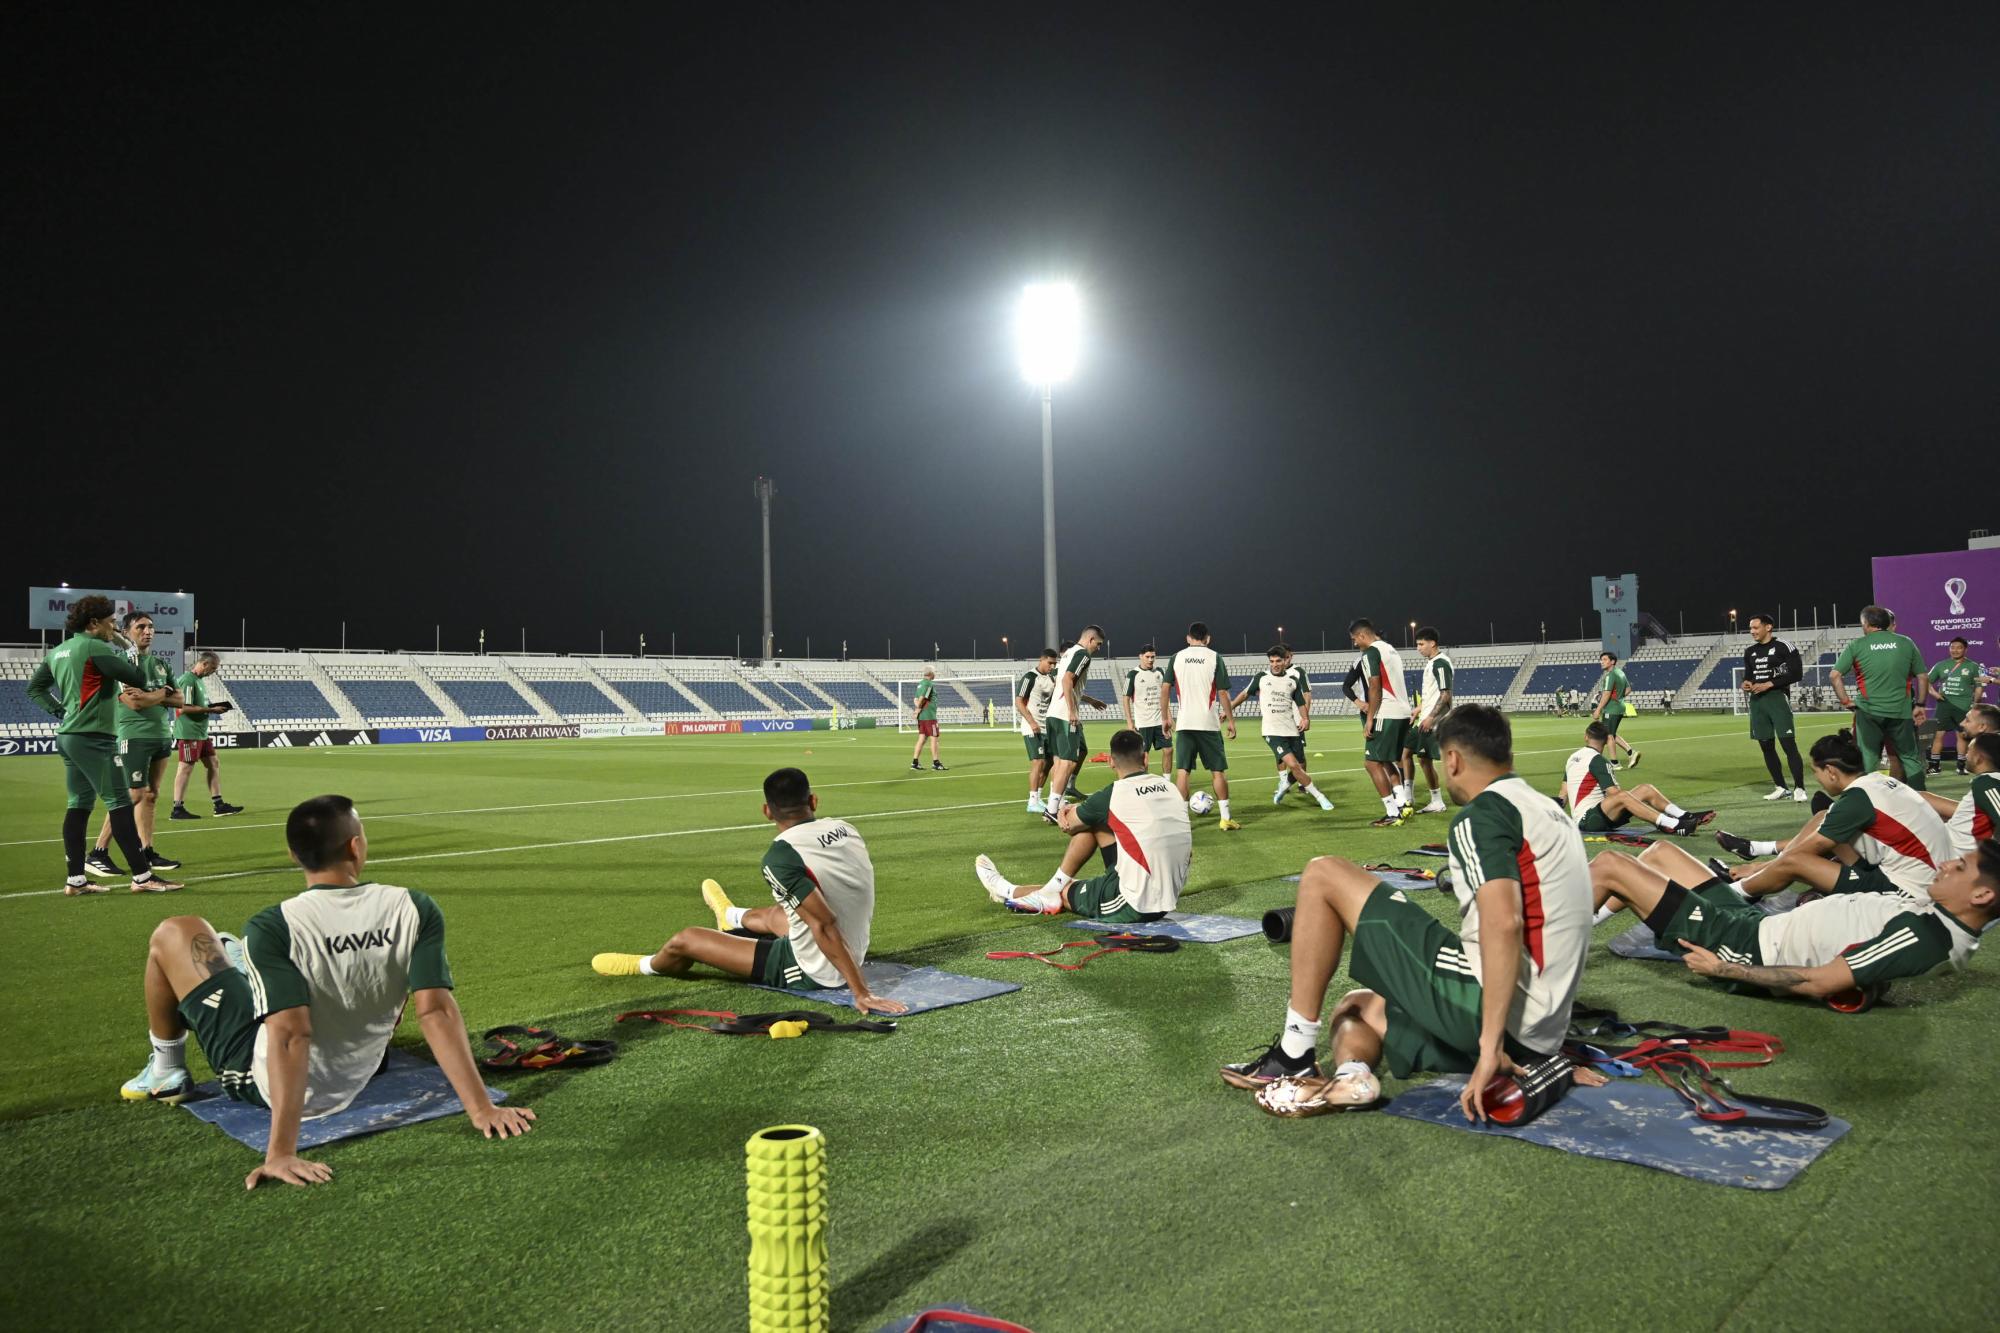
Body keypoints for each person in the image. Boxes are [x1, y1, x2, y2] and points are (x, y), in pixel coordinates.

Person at [119, 794, 536, 1188]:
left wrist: (281, 1151)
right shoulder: (414, 906)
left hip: (263, 1077)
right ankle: (244, 966)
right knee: (251, 960)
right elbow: (435, 1013)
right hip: (363, 1068)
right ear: (355, 847)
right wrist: (482, 1108)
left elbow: (290, 1034)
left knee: (177, 931)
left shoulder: (274, 924)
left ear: (293, 855)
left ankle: (166, 1067)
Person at [1218, 705, 1596, 1119]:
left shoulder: (1487, 811)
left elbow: (1503, 922)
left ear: (1451, 760)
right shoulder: (1550, 811)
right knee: (1356, 1007)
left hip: (1493, 1012)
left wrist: (1490, 1045)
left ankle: (1293, 1057)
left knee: (1323, 874)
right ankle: (1353, 1076)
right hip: (1541, 1034)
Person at [591, 768, 909, 1016]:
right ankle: (730, 916)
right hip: (853, 944)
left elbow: (823, 925)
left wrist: (861, 992)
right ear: (814, 801)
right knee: (777, 914)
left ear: (767, 812)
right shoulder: (845, 828)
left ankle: (647, 965)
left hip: (817, 968)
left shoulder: (781, 856)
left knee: (685, 940)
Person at [1590, 836, 1996, 1003]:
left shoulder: (1926, 938)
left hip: (1747, 948)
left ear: (1981, 895)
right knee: (1661, 852)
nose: (1946, 864)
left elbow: (1818, 982)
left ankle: (1538, 957)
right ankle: (1587, 920)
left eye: (1959, 868)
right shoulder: (1937, 916)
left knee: (1611, 864)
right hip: (1756, 924)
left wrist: (1722, 967)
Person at [25, 594, 185, 895]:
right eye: (111, 623)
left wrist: (60, 711)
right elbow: (134, 675)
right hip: (94, 737)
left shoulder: (59, 650)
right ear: (94, 623)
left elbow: (34, 689)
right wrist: (126, 645)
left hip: (70, 735)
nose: (113, 628)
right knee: (121, 804)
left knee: (79, 805)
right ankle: (142, 877)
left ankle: (76, 880)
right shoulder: (94, 647)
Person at [975, 728, 1192, 921]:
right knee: (1096, 822)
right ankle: (1052, 888)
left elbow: (1069, 825)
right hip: (1169, 894)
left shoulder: (1114, 793)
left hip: (1135, 903)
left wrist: (1067, 811)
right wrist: (1085, 811)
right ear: (1145, 759)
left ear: (1111, 762)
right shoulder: (1170, 787)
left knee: (1064, 891)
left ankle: (1007, 889)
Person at [1714, 730, 1952, 901]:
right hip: (1928, 875)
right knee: (1823, 818)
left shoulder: (1856, 801)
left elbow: (1801, 854)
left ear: (1831, 771)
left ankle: (1731, 895)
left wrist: (1759, 870)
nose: (1816, 778)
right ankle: (1751, 871)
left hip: (1908, 890)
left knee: (1795, 862)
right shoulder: (1880, 780)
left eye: (1815, 771)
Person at [82, 610, 188, 878]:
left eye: (151, 627)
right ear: (126, 632)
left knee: (151, 796)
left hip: (161, 734)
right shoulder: (119, 663)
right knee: (133, 795)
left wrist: (156, 694)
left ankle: (146, 851)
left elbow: (179, 700)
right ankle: (98, 852)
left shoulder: (160, 664)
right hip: (134, 736)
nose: (147, 631)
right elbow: (134, 702)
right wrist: (162, 693)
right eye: (140, 627)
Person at [1831, 605, 1928, 790]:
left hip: (1868, 712)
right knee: (1909, 758)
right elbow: (1923, 676)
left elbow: (1834, 675)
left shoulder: (1857, 645)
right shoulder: (1906, 642)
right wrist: (1921, 704)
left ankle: (1869, 802)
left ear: (1866, 623)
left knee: (1868, 759)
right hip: (1900, 711)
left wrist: (1846, 701)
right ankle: (1922, 800)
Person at [1564, 723, 1712, 836]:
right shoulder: (1597, 761)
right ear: (1609, 739)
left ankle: (1686, 816)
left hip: (1590, 817)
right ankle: (1674, 824)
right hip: (1590, 821)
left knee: (1644, 789)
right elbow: (1613, 794)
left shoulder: (1572, 758)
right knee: (1622, 796)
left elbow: (1562, 795)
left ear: (1586, 736)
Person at [1232, 645, 1333, 812]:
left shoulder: (1293, 681)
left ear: (1285, 661)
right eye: (1271, 661)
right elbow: (1244, 694)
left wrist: (1306, 718)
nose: (1275, 664)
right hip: (1271, 730)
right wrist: (1229, 709)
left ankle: (1285, 785)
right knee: (1293, 765)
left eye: (1278, 660)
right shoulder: (1261, 677)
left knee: (1299, 765)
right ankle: (1319, 796)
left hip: (1292, 729)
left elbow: (1300, 703)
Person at [1166, 622, 1240, 829]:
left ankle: (1182, 821)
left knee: (1183, 771)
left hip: (1185, 723)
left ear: (1188, 638)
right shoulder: (1215, 657)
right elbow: (1223, 692)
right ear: (1208, 639)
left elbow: (1165, 688)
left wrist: (1166, 717)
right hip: (1208, 723)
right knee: (1217, 772)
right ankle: (1225, 818)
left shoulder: (1177, 657)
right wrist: (1231, 720)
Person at [1350, 618, 1414, 826]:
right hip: (1402, 712)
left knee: (1371, 763)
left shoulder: (1370, 653)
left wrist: (1370, 719)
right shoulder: (1391, 650)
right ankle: (1403, 803)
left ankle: (1392, 813)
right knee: (1385, 761)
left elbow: (1375, 687)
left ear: (1362, 635)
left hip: (1386, 712)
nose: (1354, 644)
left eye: (1354, 639)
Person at [1042, 624, 1107, 820]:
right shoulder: (1083, 655)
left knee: (1058, 761)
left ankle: (1056, 804)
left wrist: (1089, 700)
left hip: (1053, 714)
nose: (1098, 648)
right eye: (1098, 643)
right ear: (1090, 640)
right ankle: (1052, 810)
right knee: (1068, 763)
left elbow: (1066, 681)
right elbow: (1067, 681)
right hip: (1064, 715)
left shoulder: (1069, 653)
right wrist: (1072, 711)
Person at [1741, 614, 1808, 801]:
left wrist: (1769, 684)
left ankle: (1800, 788)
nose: (1752, 632)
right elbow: (1748, 675)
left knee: (1788, 744)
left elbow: (1796, 673)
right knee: (1766, 746)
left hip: (1777, 699)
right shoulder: (1749, 651)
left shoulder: (1784, 646)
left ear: (1768, 627)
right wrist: (1746, 683)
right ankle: (1780, 787)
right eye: (1751, 628)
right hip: (1757, 702)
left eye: (1755, 628)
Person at [169, 651, 242, 819]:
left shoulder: (199, 681)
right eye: (213, 668)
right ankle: (177, 809)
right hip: (189, 732)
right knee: (185, 767)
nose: (214, 671)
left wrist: (210, 707)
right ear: (204, 664)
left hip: (200, 732)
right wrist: (211, 709)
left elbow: (195, 705)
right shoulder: (187, 680)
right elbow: (183, 708)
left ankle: (219, 805)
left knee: (213, 763)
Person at [1400, 627, 1452, 815]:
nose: (1418, 648)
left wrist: (1430, 717)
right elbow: (1433, 694)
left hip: (1433, 722)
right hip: (1424, 717)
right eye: (1417, 644)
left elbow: (1446, 695)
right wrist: (1418, 709)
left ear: (1432, 643)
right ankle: (1408, 796)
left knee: (1424, 760)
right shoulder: (1431, 663)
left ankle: (1437, 801)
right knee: (1405, 753)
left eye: (1421, 644)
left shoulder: (1441, 664)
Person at [1926, 637, 1988, 775]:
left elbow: (1979, 687)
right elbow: (1926, 681)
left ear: (1966, 649)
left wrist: (1975, 704)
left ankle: (1961, 766)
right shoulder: (1940, 665)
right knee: (1938, 735)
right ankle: (1934, 766)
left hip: (1964, 706)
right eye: (1952, 647)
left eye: (1959, 647)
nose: (1955, 650)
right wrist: (1934, 694)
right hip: (1944, 705)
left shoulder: (1974, 666)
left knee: (1962, 736)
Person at [1015, 648, 1059, 814]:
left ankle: (1039, 797)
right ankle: (1032, 801)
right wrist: (1032, 721)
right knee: (1038, 762)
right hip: (1031, 726)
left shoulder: (1051, 678)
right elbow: (1019, 701)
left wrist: (1089, 699)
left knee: (1048, 764)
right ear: (1041, 660)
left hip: (1046, 727)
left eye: (1055, 663)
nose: (1052, 666)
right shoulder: (1030, 677)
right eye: (1050, 663)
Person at [1945, 733, 2000, 856]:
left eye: (1969, 750)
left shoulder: (1986, 782)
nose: (1965, 754)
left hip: (1951, 853)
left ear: (1978, 758)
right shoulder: (1991, 781)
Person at [1123, 645, 1173, 775]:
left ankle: (1166, 780)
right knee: (1144, 756)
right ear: (1140, 657)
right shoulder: (1133, 674)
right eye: (1147, 657)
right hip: (1143, 723)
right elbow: (1125, 698)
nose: (1150, 660)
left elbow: (1165, 697)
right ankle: (1144, 781)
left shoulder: (1160, 672)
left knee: (1169, 750)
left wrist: (1169, 717)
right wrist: (1129, 722)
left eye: (1153, 657)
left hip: (1159, 721)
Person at [1589, 651, 1640, 769]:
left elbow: (1606, 695)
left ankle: (1615, 763)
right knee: (1612, 733)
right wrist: (1618, 698)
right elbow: (1628, 689)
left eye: (1605, 659)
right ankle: (1631, 752)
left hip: (1611, 709)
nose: (1601, 662)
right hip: (1620, 707)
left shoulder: (1610, 675)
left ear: (1612, 662)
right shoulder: (1620, 672)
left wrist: (1598, 710)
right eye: (1601, 660)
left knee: (1608, 735)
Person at [908, 667, 946, 771]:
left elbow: (915, 699)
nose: (935, 674)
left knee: (922, 739)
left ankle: (915, 762)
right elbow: (922, 698)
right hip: (929, 716)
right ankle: (936, 763)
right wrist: (917, 709)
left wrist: (918, 709)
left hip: (922, 717)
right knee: (934, 739)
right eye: (934, 672)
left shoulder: (920, 684)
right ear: (931, 673)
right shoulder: (928, 684)